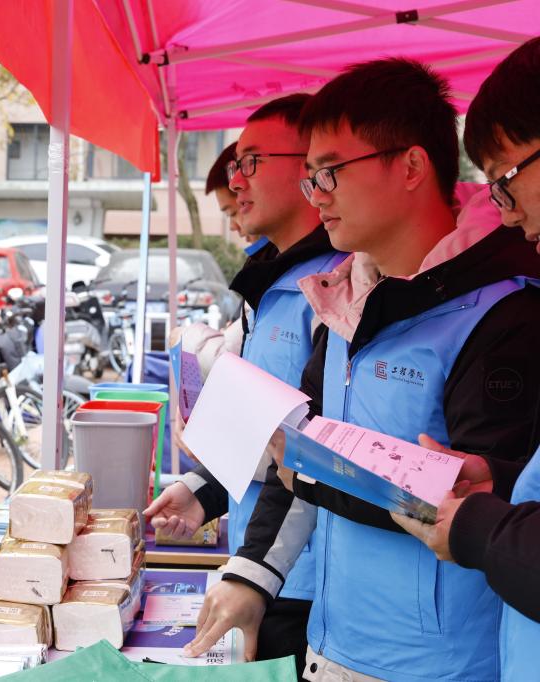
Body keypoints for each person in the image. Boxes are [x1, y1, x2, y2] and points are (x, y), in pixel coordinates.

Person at [189, 58, 540, 682]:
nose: (317, 194)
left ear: (411, 166)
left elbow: (482, 510)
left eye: (330, 172)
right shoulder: (341, 301)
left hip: (441, 667)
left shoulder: (502, 315)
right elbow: (297, 443)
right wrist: (252, 574)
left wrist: (312, 471)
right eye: (310, 177)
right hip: (332, 646)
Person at [145, 93, 346, 671]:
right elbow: (265, 433)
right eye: (236, 165)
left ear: (312, 168)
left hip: (302, 579)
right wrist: (203, 489)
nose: (236, 182)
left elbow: (309, 449)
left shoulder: (336, 288)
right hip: (260, 567)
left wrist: (255, 568)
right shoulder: (271, 284)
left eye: (251, 162)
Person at [392, 36, 540, 682]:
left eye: (504, 181)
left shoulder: (505, 308)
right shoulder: (334, 301)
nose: (505, 214)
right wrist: (500, 482)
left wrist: (480, 526)